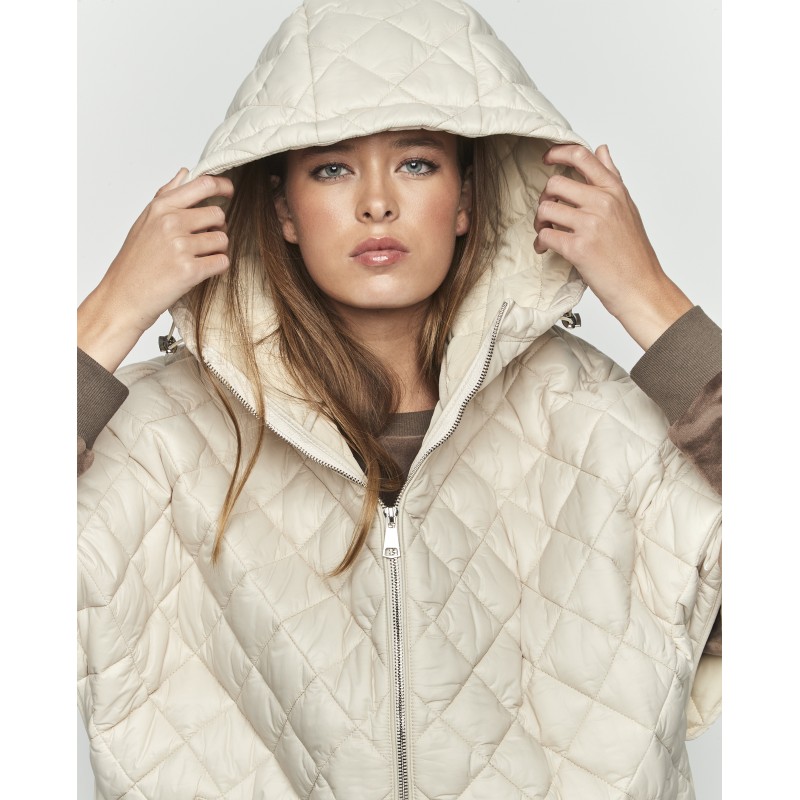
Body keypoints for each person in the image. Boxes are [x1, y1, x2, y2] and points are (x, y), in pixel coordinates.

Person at [77, 1, 721, 797]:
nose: (377, 203)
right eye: (332, 168)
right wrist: (108, 314)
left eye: (416, 164)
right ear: (282, 210)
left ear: (467, 201)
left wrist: (651, 299)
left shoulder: (595, 419)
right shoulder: (160, 438)